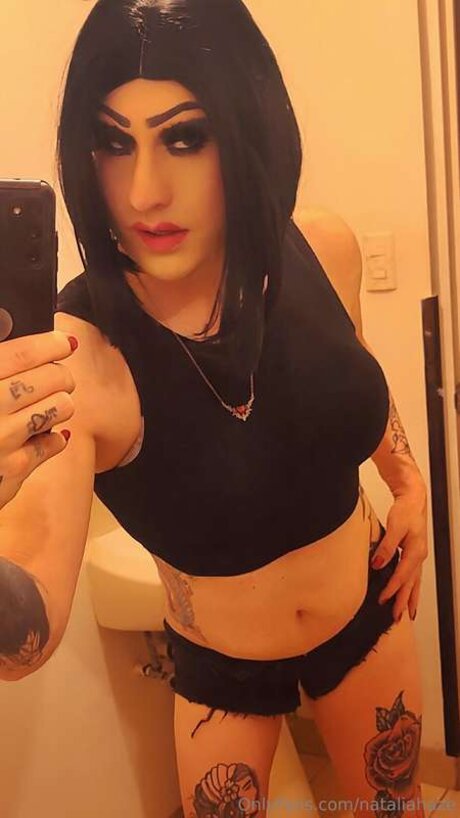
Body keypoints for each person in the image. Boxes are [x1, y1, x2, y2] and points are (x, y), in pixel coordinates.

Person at [0, 1, 429, 815]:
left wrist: (408, 482)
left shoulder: (318, 244)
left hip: (366, 613)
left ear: (248, 128)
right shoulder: (77, 356)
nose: (144, 191)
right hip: (221, 668)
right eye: (112, 142)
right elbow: (26, 635)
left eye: (185, 136)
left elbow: (352, 380)